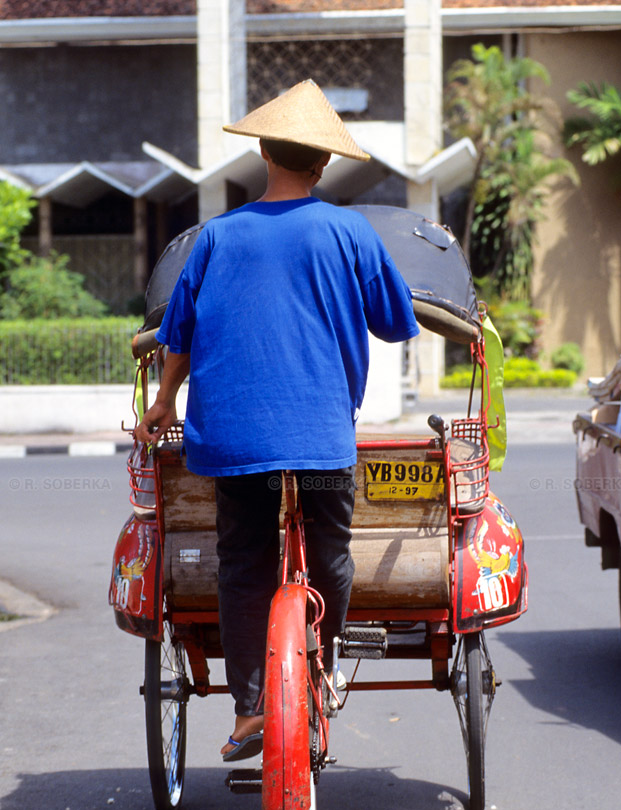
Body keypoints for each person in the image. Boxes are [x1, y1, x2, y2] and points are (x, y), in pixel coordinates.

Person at [134, 79, 420, 761]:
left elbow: (179, 340)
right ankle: (322, 666)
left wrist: (164, 402)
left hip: (232, 441)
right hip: (320, 438)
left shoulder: (213, 239)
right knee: (330, 552)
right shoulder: (349, 231)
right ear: (323, 163)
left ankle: (250, 708)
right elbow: (395, 324)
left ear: (262, 152)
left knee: (243, 563)